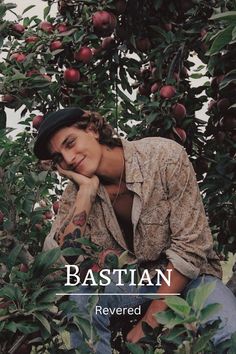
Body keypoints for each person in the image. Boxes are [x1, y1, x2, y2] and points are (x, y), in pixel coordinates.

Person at [33, 107, 236, 353]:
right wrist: (86, 192)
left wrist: (150, 320)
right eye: (58, 158)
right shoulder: (76, 193)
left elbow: (192, 247)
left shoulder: (164, 157)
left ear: (92, 129)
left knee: (229, 332)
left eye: (70, 143)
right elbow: (66, 259)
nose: (68, 158)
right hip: (136, 283)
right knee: (82, 301)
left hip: (194, 279)